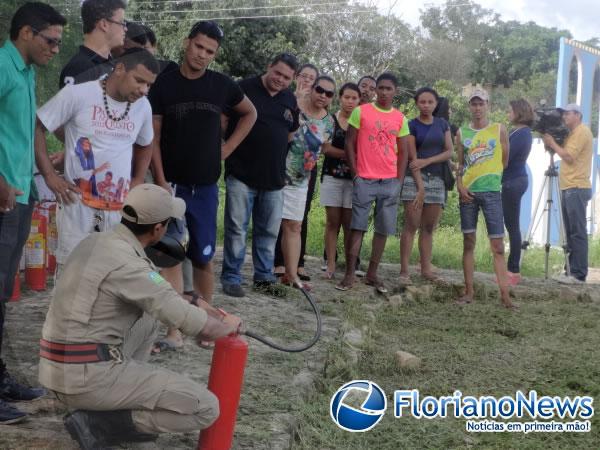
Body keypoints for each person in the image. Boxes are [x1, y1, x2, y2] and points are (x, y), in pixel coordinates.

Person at [38, 183, 242, 449]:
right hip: (84, 380)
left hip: (55, 370)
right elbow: (197, 327)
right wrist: (227, 325)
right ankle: (99, 422)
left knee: (149, 318)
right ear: (158, 229)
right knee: (206, 408)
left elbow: (160, 296)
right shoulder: (132, 266)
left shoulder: (95, 241)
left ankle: (111, 399)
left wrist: (197, 303)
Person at [149, 21, 256, 350]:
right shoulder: (163, 85)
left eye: (210, 51)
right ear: (187, 43)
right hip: (172, 185)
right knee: (168, 256)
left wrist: (228, 148)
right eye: (199, 47)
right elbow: (152, 137)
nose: (202, 55)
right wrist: (162, 179)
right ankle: (174, 330)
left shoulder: (222, 85)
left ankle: (206, 326)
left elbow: (249, 113)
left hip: (206, 187)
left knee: (203, 256)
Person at [35, 48, 159, 275]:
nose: (144, 90)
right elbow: (38, 125)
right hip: (77, 206)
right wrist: (50, 176)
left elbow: (146, 143)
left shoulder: (143, 106)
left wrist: (138, 178)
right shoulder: (77, 94)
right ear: (120, 69)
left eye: (149, 85)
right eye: (139, 81)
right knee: (72, 275)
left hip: (119, 211)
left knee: (113, 275)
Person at [0, 2, 66, 424]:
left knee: (4, 292)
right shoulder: (3, 66)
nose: (56, 49)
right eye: (51, 40)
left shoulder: (25, 73)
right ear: (27, 32)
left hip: (19, 198)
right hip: (2, 198)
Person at [220, 53, 299, 297]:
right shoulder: (243, 87)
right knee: (236, 229)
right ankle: (232, 276)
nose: (280, 80)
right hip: (241, 173)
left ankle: (264, 278)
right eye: (277, 73)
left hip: (274, 178)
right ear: (269, 66)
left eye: (286, 77)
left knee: (268, 232)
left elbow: (290, 134)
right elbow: (223, 121)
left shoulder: (289, 98)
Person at [336, 73, 409, 293]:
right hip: (364, 179)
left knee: (383, 229)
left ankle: (372, 274)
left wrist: (399, 180)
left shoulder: (400, 118)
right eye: (382, 88)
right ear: (376, 90)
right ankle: (350, 274)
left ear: (395, 91)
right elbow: (350, 143)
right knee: (357, 227)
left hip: (389, 181)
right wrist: (356, 174)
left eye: (389, 89)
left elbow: (404, 152)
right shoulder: (361, 111)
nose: (385, 92)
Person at [455, 88, 515, 309]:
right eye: (474, 104)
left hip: (491, 192)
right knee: (468, 242)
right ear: (469, 107)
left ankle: (505, 295)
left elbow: (504, 161)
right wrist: (460, 186)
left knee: (498, 245)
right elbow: (460, 165)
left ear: (487, 105)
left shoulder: (499, 129)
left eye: (481, 104)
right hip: (468, 193)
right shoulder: (462, 133)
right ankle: (469, 290)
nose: (477, 108)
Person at [279, 76, 335, 290]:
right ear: (312, 89)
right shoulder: (294, 106)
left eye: (329, 93)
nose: (323, 95)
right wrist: (295, 100)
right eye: (320, 90)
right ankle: (262, 274)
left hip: (301, 181)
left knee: (294, 226)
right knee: (270, 225)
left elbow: (324, 147)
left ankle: (291, 275)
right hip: (275, 173)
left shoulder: (329, 122)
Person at [399, 87, 453, 284]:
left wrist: (428, 161)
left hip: (437, 180)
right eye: (422, 102)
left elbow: (449, 152)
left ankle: (425, 268)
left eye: (430, 102)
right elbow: (413, 160)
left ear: (436, 104)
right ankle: (404, 270)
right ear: (417, 103)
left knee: (429, 227)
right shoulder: (411, 125)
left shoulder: (443, 124)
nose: (426, 105)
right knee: (411, 225)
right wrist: (420, 188)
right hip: (414, 180)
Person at [274, 63, 320, 281]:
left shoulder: (317, 107)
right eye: (304, 76)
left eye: (312, 78)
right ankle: (278, 262)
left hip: (306, 167)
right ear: (296, 77)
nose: (307, 81)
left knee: (301, 215)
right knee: (278, 213)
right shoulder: (284, 97)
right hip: (281, 160)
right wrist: (297, 100)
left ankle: (298, 262)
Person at [542, 104, 593, 284]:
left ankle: (578, 274)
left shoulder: (582, 132)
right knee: (569, 233)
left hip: (577, 187)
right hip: (568, 187)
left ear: (577, 115)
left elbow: (569, 157)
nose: (564, 117)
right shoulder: (571, 133)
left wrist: (552, 143)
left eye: (567, 114)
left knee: (577, 232)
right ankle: (570, 271)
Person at [320, 82, 361, 279]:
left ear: (359, 100)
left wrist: (350, 156)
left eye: (354, 98)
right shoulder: (330, 119)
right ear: (340, 98)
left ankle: (349, 265)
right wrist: (351, 155)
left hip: (354, 180)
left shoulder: (362, 121)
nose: (350, 101)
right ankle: (330, 264)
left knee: (349, 224)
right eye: (347, 97)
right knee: (332, 222)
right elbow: (326, 148)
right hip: (332, 177)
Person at [59, 0, 126, 88]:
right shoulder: (79, 68)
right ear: (104, 24)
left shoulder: (112, 65)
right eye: (122, 23)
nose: (125, 29)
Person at [502, 99, 534, 285]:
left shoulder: (522, 134)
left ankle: (513, 269)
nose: (508, 113)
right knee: (511, 225)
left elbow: (506, 157)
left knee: (512, 226)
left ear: (518, 112)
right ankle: (512, 268)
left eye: (510, 110)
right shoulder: (519, 132)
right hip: (513, 180)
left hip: (513, 181)